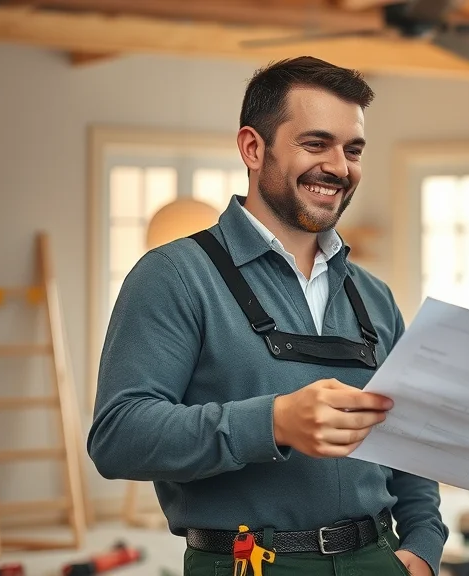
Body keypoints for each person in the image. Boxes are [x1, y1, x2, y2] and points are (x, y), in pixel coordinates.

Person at [87, 56, 447, 576]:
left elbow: (414, 445)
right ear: (253, 148)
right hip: (248, 563)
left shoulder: (374, 296)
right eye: (315, 143)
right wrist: (273, 422)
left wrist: (422, 550)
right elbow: (118, 438)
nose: (340, 168)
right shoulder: (173, 275)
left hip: (378, 559)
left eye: (353, 150)